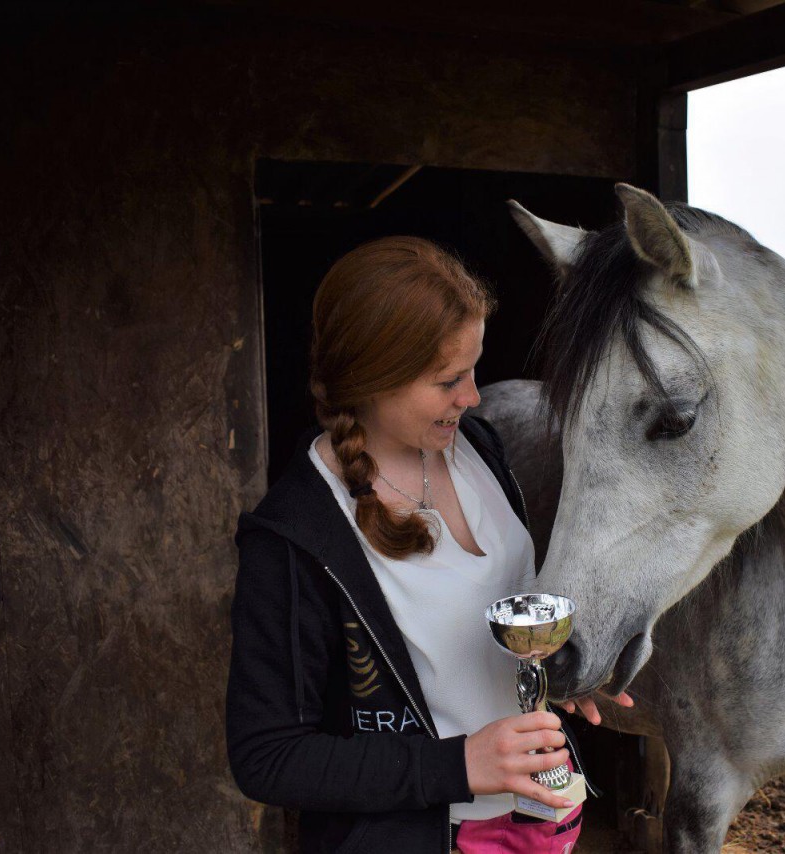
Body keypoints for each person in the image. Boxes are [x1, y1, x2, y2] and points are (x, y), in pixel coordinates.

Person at [225, 236, 632, 854]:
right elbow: (267, 757)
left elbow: (475, 644)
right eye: (448, 380)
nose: (471, 396)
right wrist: (459, 765)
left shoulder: (479, 448)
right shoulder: (293, 536)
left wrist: (556, 671)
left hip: (538, 824)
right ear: (371, 377)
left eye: (474, 369)